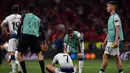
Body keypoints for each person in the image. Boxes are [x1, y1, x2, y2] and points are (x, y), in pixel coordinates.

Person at [18, 4, 47, 73]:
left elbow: (19, 27)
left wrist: (19, 36)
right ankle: (43, 72)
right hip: (34, 37)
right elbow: (42, 31)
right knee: (39, 54)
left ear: (27, 10)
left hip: (25, 36)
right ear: (34, 11)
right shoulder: (38, 19)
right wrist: (44, 42)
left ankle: (25, 72)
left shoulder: (24, 16)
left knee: (20, 55)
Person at [99, 1, 124, 73]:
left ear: (113, 7)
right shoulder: (110, 17)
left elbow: (117, 29)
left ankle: (101, 72)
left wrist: (116, 40)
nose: (107, 8)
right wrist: (104, 41)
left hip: (113, 40)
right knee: (116, 57)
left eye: (108, 6)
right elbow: (110, 31)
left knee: (105, 55)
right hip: (111, 39)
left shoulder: (116, 17)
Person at [0, 4, 22, 73]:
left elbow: (1, 25)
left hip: (12, 35)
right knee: (19, 53)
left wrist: (6, 32)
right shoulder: (21, 17)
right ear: (18, 10)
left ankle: (13, 70)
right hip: (20, 36)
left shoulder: (9, 17)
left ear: (12, 10)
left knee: (12, 53)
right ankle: (20, 69)